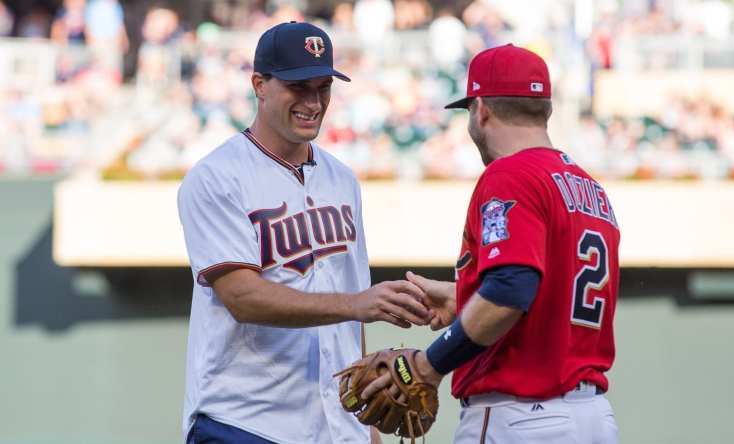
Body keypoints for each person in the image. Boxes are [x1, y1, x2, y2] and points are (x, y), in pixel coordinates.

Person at [178, 21, 431, 444]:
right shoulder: (216, 178)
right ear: (259, 84)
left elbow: (352, 303)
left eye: (323, 87)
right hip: (242, 420)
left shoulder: (342, 179)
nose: (313, 102)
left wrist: (366, 423)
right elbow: (242, 297)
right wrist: (357, 304)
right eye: (299, 86)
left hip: (334, 426)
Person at [360, 44, 621, 443]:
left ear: (481, 109)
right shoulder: (589, 188)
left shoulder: (510, 174)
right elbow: (546, 293)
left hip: (521, 418)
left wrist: (428, 365)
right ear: (544, 110)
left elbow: (511, 290)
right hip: (592, 419)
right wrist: (464, 296)